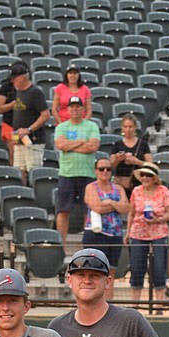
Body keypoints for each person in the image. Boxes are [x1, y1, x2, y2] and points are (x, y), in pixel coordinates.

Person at [54, 95, 100, 246]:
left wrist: (70, 145)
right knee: (63, 210)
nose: (75, 109)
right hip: (67, 174)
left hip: (88, 174)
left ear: (82, 108)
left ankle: (89, 243)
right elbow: (61, 146)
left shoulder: (92, 126)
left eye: (77, 106)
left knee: (90, 210)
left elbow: (93, 147)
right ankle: (61, 245)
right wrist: (81, 142)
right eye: (72, 106)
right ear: (68, 109)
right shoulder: (61, 127)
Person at [126, 162, 169, 302]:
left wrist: (158, 219)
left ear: (155, 178)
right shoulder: (136, 191)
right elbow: (131, 213)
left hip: (159, 233)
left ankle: (158, 304)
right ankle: (135, 304)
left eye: (148, 175)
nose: (145, 177)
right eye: (143, 175)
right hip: (138, 233)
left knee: (159, 267)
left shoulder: (163, 190)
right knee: (137, 266)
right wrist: (128, 232)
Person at [2, 63, 48, 184]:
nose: (12, 81)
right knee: (19, 170)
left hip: (33, 140)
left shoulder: (35, 92)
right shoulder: (19, 92)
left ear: (22, 77)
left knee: (34, 171)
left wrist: (29, 129)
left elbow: (45, 115)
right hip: (19, 139)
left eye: (14, 78)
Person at [83, 156, 129, 274]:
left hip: (115, 235)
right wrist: (116, 205)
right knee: (95, 272)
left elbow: (126, 207)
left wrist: (109, 202)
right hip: (96, 234)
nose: (105, 171)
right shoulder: (91, 187)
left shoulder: (118, 188)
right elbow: (97, 207)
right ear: (96, 170)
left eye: (108, 169)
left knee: (110, 273)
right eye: (101, 169)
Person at [109, 114, 152, 195]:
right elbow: (110, 166)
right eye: (125, 126)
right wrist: (118, 159)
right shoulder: (117, 145)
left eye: (130, 126)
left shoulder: (143, 144)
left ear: (135, 127)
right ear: (122, 128)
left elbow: (150, 165)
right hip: (121, 184)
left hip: (139, 183)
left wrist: (137, 162)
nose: (128, 129)